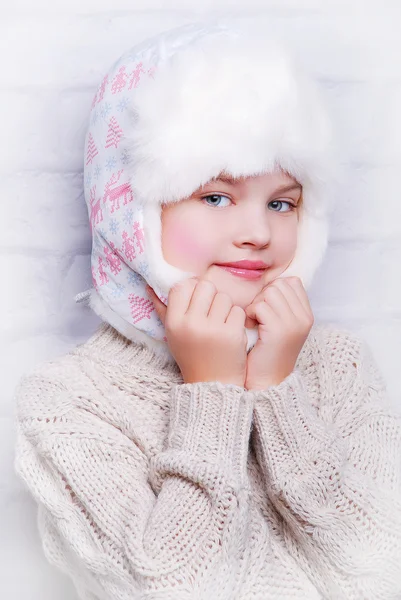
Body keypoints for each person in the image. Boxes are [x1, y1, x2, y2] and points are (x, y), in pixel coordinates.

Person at [14, 19, 401, 600]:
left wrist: (276, 391)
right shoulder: (69, 402)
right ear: (132, 212)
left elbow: (383, 572)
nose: (257, 232)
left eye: (282, 202)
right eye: (214, 196)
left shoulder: (334, 364)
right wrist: (214, 392)